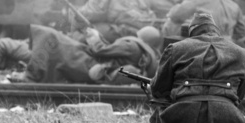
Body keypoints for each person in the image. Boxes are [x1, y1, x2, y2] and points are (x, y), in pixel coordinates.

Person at [150, 11, 245, 123]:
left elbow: (159, 89)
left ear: (192, 31)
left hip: (183, 115)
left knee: (161, 109)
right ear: (215, 29)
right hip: (225, 114)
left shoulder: (175, 48)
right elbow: (240, 94)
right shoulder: (239, 52)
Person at [11, 24, 160, 84]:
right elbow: (110, 52)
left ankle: (32, 75)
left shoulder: (131, 45)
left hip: (92, 65)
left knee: (51, 37)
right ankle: (34, 74)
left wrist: (93, 36)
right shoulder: (144, 54)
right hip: (96, 66)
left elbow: (101, 51)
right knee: (61, 44)